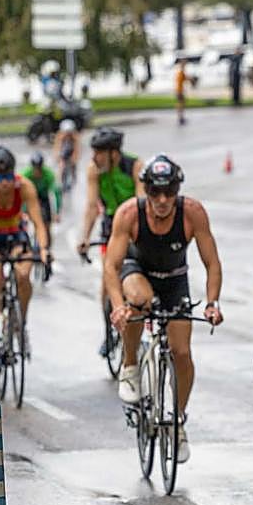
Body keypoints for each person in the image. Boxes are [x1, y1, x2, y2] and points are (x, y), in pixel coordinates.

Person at [105, 155, 223, 461]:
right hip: (137, 273)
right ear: (145, 189)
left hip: (174, 281)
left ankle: (177, 421)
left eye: (169, 192)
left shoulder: (192, 213)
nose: (161, 199)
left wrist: (212, 303)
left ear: (177, 190)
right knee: (138, 301)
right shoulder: (129, 213)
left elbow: (212, 263)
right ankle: (130, 366)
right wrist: (117, 306)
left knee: (182, 353)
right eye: (154, 192)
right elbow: (111, 266)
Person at [0, 146, 51, 370]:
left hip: (16, 235)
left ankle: (20, 324)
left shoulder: (25, 186)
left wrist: (44, 249)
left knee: (23, 274)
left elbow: (39, 223)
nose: (6, 183)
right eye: (0, 178)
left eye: (9, 176)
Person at [78, 128, 142, 356]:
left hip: (134, 224)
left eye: (99, 153)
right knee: (108, 280)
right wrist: (85, 237)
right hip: (111, 227)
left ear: (114, 153)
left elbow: (142, 201)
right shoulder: (94, 170)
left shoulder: (135, 166)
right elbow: (92, 206)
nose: (94, 158)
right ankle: (109, 332)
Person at [23, 151, 61, 239]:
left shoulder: (49, 174)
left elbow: (56, 193)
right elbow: (20, 194)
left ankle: (47, 237)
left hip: (43, 196)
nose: (37, 171)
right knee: (25, 220)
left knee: (47, 223)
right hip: (30, 197)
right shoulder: (26, 174)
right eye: (35, 169)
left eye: (39, 169)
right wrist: (23, 211)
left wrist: (57, 212)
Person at [52, 118, 80, 200]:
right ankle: (61, 183)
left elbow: (77, 148)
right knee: (62, 168)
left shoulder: (75, 136)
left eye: (69, 133)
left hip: (71, 152)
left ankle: (73, 180)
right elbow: (57, 147)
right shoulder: (60, 136)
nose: (67, 134)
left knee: (73, 167)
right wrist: (58, 157)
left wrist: (74, 158)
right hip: (64, 153)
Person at [174, 60, 188, 125]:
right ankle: (180, 117)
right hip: (179, 91)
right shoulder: (181, 72)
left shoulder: (180, 72)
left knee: (181, 104)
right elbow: (186, 79)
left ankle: (181, 117)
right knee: (181, 104)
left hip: (179, 90)